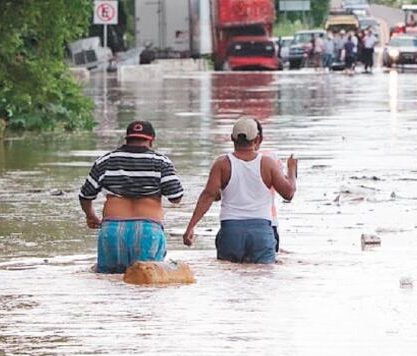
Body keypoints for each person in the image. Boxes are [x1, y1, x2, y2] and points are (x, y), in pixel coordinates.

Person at [183, 117, 296, 264]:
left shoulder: (222, 164)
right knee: (262, 278)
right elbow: (288, 193)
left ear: (232, 138)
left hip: (231, 231)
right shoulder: (268, 163)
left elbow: (208, 195)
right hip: (261, 232)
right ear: (258, 139)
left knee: (230, 277)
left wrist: (191, 227)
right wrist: (292, 170)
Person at [79, 120, 184, 273]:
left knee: (109, 284)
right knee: (145, 285)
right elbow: (175, 196)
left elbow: (85, 195)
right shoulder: (161, 162)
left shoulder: (106, 160)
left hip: (112, 231)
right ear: (151, 140)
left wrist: (90, 216)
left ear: (127, 138)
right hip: (148, 230)